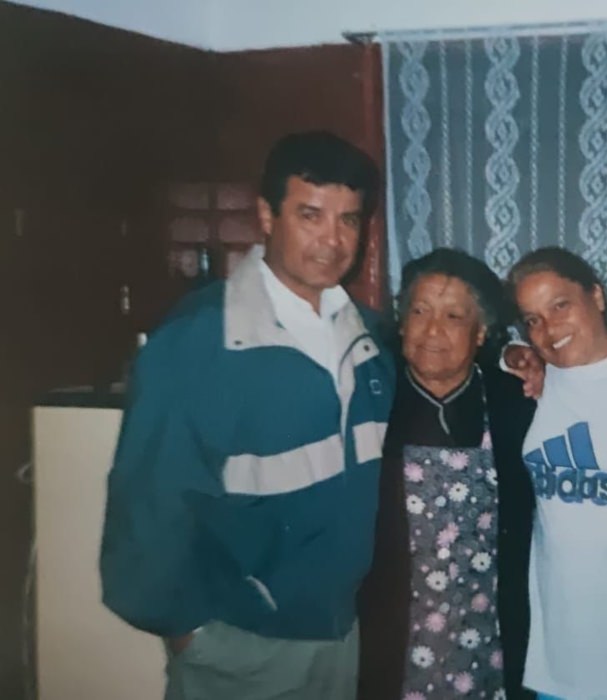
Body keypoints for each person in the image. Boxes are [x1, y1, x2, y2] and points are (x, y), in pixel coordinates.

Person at [100, 130, 394, 700]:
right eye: (311, 215)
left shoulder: (370, 337)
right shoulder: (199, 340)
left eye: (349, 220)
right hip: (241, 646)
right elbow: (148, 502)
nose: (332, 240)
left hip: (341, 636)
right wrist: (188, 633)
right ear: (266, 215)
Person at [358, 248, 536, 700]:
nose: (433, 330)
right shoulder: (370, 398)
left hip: (490, 636)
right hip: (392, 635)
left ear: (481, 332)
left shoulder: (514, 402)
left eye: (454, 316)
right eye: (420, 311)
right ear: (402, 323)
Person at [507, 247, 607, 700]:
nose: (548, 329)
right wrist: (513, 355)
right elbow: (477, 347)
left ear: (597, 296)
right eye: (532, 320)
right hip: (557, 657)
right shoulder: (538, 381)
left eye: (560, 305)